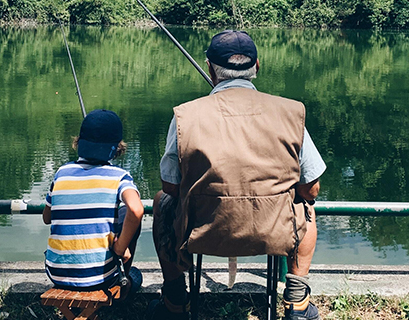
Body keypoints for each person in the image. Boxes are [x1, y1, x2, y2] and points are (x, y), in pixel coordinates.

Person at [147, 30, 326, 320]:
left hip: (202, 232)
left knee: (161, 202)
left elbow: (169, 185)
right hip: (275, 231)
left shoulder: (185, 115)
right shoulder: (291, 112)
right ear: (257, 65)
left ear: (209, 68)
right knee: (305, 208)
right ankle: (297, 302)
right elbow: (311, 190)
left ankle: (175, 300)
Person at [42, 109, 144, 301]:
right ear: (117, 148)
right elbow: (136, 209)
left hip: (56, 274)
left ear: (79, 143)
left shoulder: (61, 173)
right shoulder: (119, 177)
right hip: (99, 278)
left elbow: (47, 218)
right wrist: (121, 248)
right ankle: (123, 285)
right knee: (136, 275)